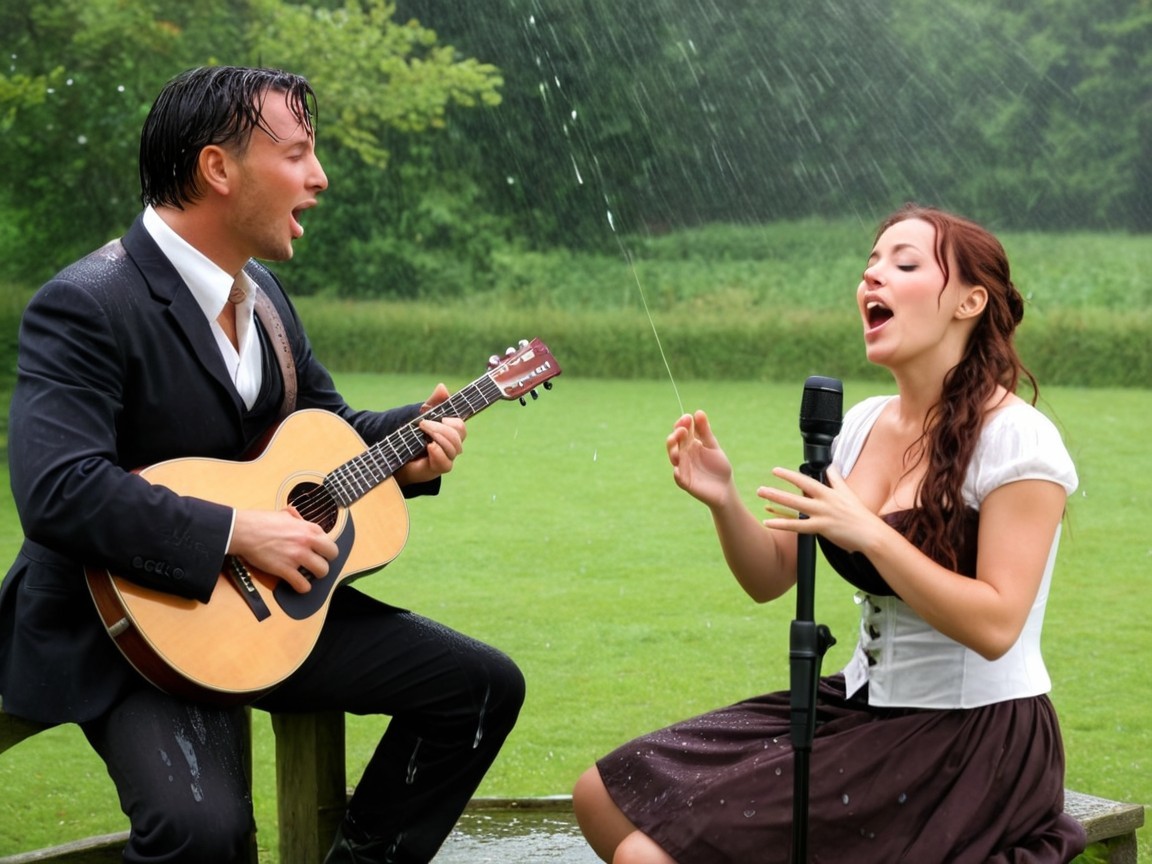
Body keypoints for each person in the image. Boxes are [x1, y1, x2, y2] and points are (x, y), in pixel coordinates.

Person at [0, 66, 524, 864]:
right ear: (218, 168)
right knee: (202, 834)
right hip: (126, 629)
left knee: (481, 690)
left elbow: (325, 431)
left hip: (264, 614)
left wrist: (409, 447)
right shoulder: (88, 302)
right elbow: (58, 490)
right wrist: (239, 533)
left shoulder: (266, 299)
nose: (320, 178)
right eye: (298, 154)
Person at [572, 204, 1086, 863]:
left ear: (970, 301)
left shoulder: (1018, 439)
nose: (873, 277)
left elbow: (996, 626)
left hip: (971, 737)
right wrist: (722, 498)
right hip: (859, 703)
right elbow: (771, 576)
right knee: (600, 795)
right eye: (871, 263)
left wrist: (871, 534)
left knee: (645, 856)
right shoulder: (861, 425)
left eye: (904, 264)